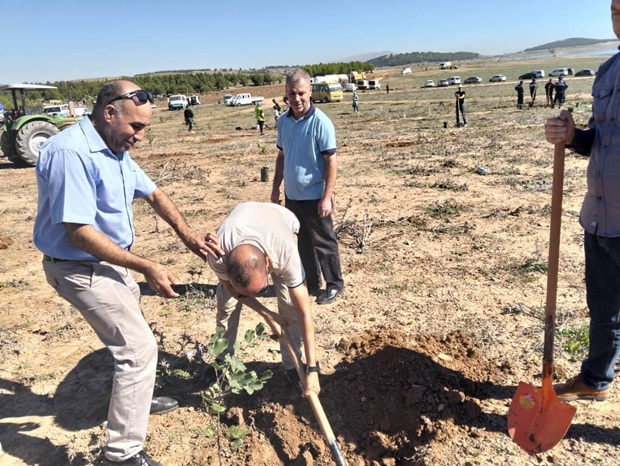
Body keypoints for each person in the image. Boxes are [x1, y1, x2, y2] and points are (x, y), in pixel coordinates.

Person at [33, 80, 223, 466]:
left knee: (133, 327)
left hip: (107, 263)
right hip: (78, 267)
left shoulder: (114, 148)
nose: (139, 137)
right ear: (109, 113)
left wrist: (187, 235)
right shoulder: (71, 153)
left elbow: (153, 193)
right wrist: (145, 266)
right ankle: (121, 454)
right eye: (135, 126)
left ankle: (136, 397)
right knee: (137, 350)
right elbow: (80, 233)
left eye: (144, 128)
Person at [544, 0, 620, 403]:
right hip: (600, 216)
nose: (619, 18)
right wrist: (572, 137)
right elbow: (599, 141)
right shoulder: (608, 71)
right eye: (615, 10)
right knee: (604, 310)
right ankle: (595, 380)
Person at [206, 202, 321, 396]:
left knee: (290, 307)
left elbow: (304, 312)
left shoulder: (285, 253)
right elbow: (232, 290)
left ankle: (292, 366)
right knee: (226, 306)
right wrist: (267, 314)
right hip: (241, 218)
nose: (257, 296)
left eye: (262, 289)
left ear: (268, 262)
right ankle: (222, 361)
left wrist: (313, 369)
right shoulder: (218, 254)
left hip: (280, 221)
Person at [271, 68, 344, 305]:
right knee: (302, 242)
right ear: (286, 93)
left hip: (315, 195)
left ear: (310, 91)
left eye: (301, 93)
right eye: (292, 93)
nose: (297, 98)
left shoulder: (320, 122)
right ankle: (312, 283)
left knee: (324, 242)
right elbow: (282, 156)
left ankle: (334, 284)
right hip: (293, 196)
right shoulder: (283, 122)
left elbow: (330, 161)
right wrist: (275, 189)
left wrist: (327, 197)